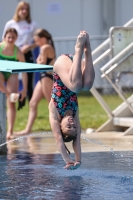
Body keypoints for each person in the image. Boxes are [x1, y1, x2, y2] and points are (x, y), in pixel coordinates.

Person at [48, 31, 95, 170]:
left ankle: (78, 49)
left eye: (68, 127)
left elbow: (59, 141)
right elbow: (77, 141)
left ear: (61, 128)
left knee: (76, 88)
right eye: (74, 127)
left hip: (62, 64)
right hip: (75, 66)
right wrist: (78, 161)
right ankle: (88, 50)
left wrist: (68, 160)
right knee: (86, 86)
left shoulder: (55, 114)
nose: (72, 124)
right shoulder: (74, 114)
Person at [15, 29, 55, 136]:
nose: (36, 43)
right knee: (32, 103)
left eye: (37, 41)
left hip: (46, 77)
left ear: (43, 39)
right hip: (42, 76)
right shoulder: (45, 47)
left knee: (51, 104)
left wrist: (38, 61)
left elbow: (41, 63)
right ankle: (28, 129)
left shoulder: (45, 47)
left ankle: (58, 126)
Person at [2, 1, 37, 101]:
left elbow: (36, 41)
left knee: (29, 79)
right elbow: (4, 39)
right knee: (9, 77)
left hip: (26, 53)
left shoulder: (32, 24)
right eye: (22, 9)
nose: (24, 11)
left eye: (26, 9)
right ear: (18, 10)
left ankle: (30, 104)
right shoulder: (10, 23)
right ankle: (11, 98)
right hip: (13, 54)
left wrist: (29, 46)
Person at [0, 28, 27, 140]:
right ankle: (7, 93)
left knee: (12, 101)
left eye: (13, 37)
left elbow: (25, 71)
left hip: (11, 73)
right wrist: (7, 92)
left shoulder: (18, 52)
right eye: (8, 37)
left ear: (16, 39)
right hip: (0, 72)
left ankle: (9, 131)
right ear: (4, 37)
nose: (10, 39)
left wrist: (24, 89)